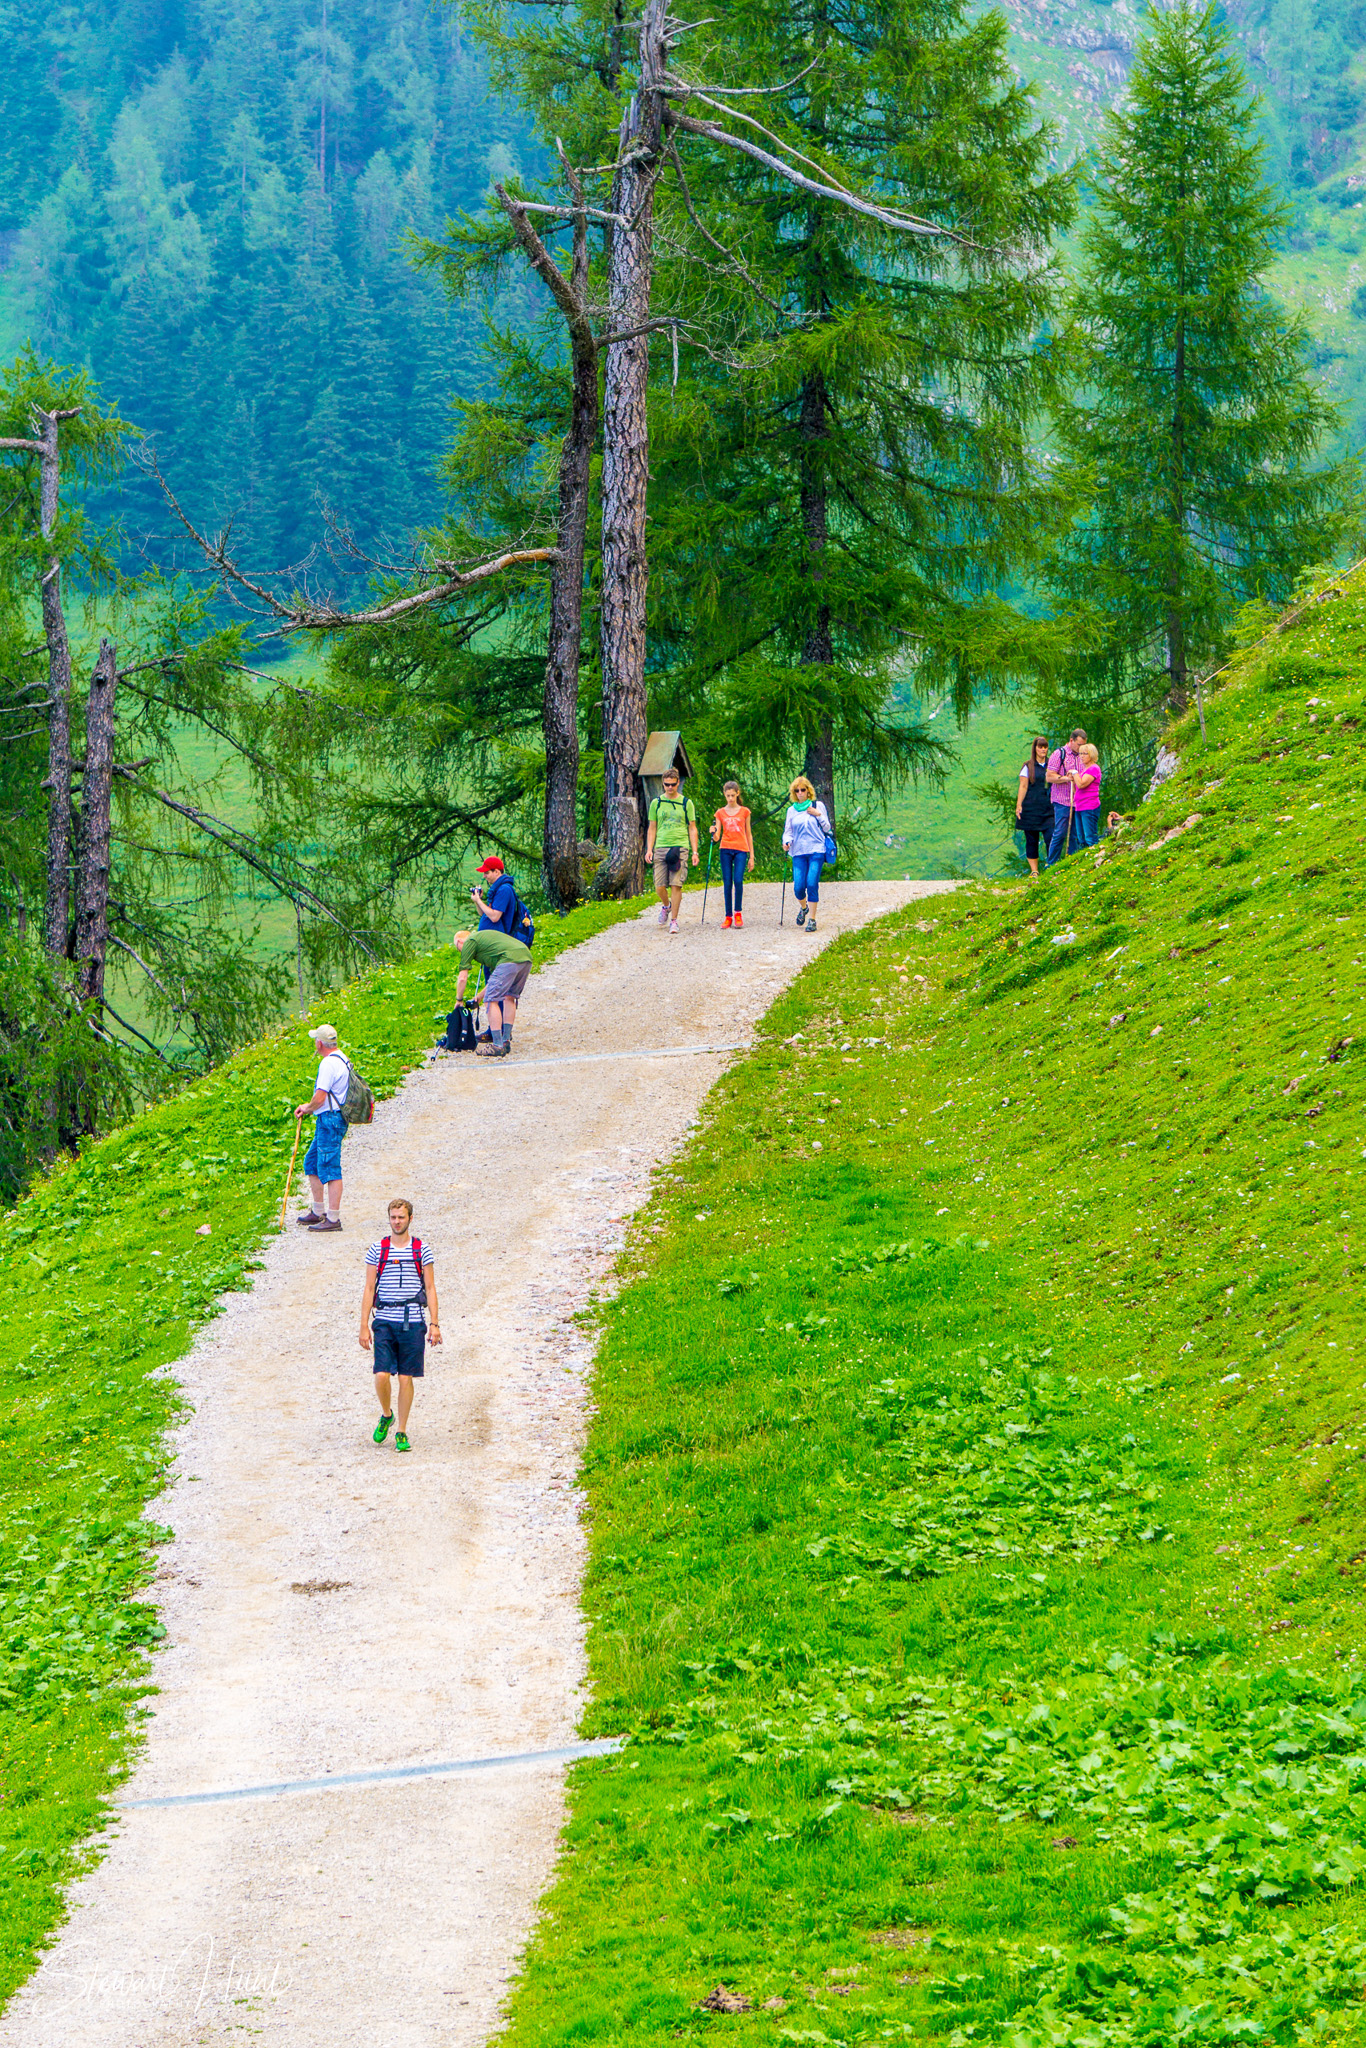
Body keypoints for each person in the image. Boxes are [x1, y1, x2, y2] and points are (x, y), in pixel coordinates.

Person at [359, 1198, 441, 1454]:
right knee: (381, 1374)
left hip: (413, 1321)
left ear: (410, 1219)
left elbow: (430, 1288)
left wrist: (434, 1323)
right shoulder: (377, 1250)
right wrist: (364, 1325)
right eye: (393, 1217)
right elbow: (369, 1288)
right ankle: (387, 1414)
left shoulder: (422, 1250)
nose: (397, 1222)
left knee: (406, 1377)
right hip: (384, 1320)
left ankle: (401, 1431)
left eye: (401, 1217)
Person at [295, 1023, 351, 1232]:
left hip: (330, 1119)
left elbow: (320, 1097)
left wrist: (307, 1108)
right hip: (332, 1117)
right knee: (312, 1161)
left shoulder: (328, 1064)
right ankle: (318, 1211)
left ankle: (333, 1218)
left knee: (330, 1166)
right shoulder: (342, 1058)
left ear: (319, 1043)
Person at [453, 924, 531, 1057]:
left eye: (458, 948)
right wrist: (479, 996)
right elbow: (496, 978)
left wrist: (459, 1000)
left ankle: (497, 1045)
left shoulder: (470, 941)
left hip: (509, 959)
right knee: (509, 997)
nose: (460, 952)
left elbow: (462, 978)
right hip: (525, 957)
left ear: (460, 941)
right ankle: (505, 1041)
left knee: (490, 1000)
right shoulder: (486, 944)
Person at [645, 768, 699, 934]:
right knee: (659, 885)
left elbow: (692, 828)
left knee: (676, 884)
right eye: (667, 784)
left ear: (678, 783)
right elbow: (652, 827)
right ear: (663, 784)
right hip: (661, 845)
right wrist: (649, 849)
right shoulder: (656, 803)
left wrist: (694, 851)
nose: (670, 787)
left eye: (673, 784)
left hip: (680, 846)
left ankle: (674, 920)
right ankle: (666, 906)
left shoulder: (686, 803)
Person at [782, 775, 831, 934]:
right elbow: (788, 831)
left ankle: (812, 919)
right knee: (798, 887)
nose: (800, 793)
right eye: (797, 791)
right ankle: (804, 908)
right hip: (799, 852)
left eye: (803, 790)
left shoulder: (818, 806)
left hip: (816, 850)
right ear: (794, 793)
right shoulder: (791, 811)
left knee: (811, 883)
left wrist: (818, 814)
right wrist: (786, 841)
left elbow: (827, 828)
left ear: (808, 791)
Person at [710, 779, 755, 927]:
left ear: (737, 794)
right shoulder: (720, 813)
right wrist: (713, 832)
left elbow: (748, 834)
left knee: (738, 880)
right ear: (724, 795)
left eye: (732, 795)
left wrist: (752, 856)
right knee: (727, 882)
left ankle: (738, 913)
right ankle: (728, 915)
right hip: (725, 849)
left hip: (741, 849)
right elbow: (717, 836)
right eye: (728, 795)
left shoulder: (745, 811)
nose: (730, 798)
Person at [1045, 727, 1087, 866]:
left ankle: (1071, 862)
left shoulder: (1082, 755)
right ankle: (1051, 863)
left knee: (1075, 833)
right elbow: (1049, 776)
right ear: (1071, 740)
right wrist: (1066, 778)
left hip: (1078, 800)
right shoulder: (1059, 754)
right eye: (1079, 745)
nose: (1081, 748)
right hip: (1062, 800)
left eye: (1083, 745)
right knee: (1060, 832)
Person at [1015, 736, 1053, 879]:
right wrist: (1019, 804)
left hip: (1049, 807)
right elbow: (1023, 786)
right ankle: (1034, 870)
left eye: (1045, 747)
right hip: (1031, 808)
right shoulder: (1028, 766)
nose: (1043, 750)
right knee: (1031, 840)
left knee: (1051, 837)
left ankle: (1052, 865)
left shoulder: (1052, 764)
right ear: (1035, 749)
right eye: (1040, 747)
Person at [471, 856, 518, 934]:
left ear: (496, 872)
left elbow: (494, 917)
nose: (484, 876)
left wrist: (478, 901)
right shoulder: (496, 889)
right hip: (490, 935)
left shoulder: (504, 889)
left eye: (487, 873)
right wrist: (477, 900)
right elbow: (483, 914)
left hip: (497, 936)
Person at [1069, 743, 1103, 848]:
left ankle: (1094, 854)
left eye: (1085, 754)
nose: (1082, 756)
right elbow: (1077, 789)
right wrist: (1073, 779)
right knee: (1081, 838)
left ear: (1091, 754)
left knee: (1090, 837)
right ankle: (1085, 855)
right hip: (1080, 806)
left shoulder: (1094, 768)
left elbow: (1082, 784)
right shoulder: (1084, 770)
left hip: (1089, 806)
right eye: (1080, 754)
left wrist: (1075, 773)